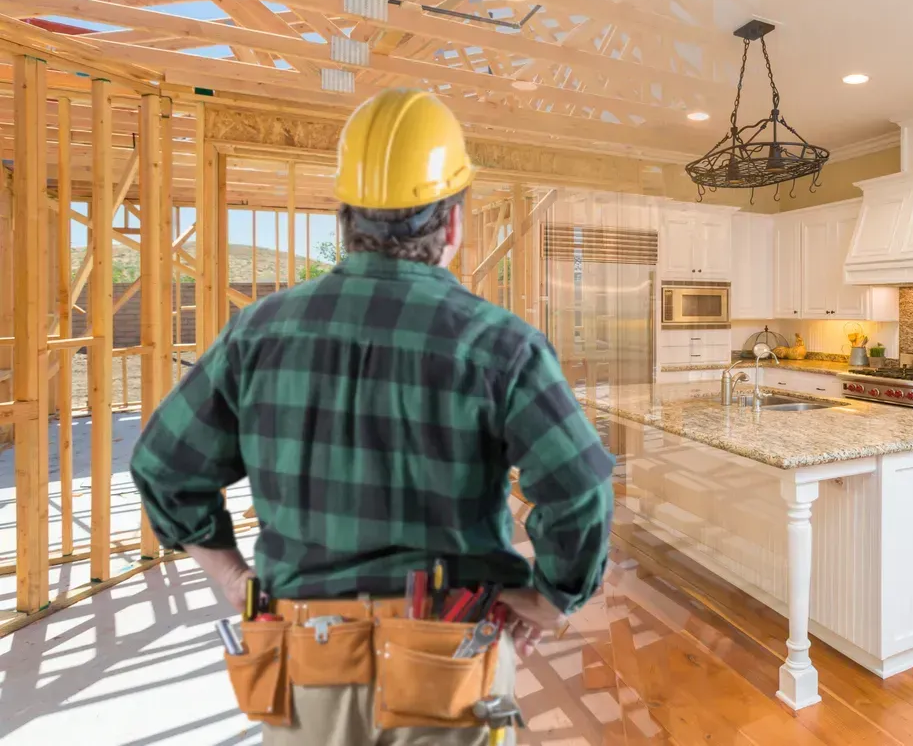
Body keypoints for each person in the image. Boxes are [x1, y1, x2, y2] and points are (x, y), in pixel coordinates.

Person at [130, 88, 615, 746]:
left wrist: (232, 577)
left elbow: (163, 465)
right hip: (450, 657)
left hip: (306, 662)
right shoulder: (501, 345)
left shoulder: (257, 333)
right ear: (451, 224)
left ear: (345, 221)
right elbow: (580, 485)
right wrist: (551, 596)